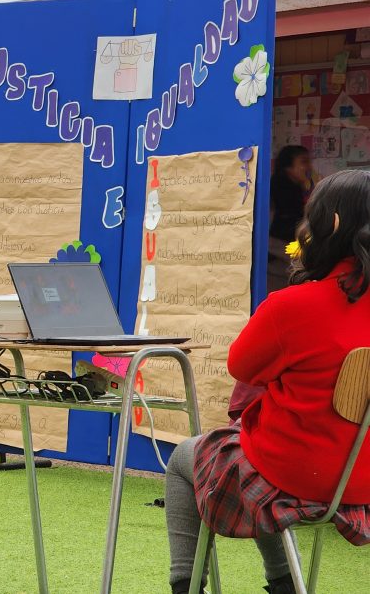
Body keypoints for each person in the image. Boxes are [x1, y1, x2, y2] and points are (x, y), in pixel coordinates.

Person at [164, 169, 370, 594]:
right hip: (361, 483)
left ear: (330, 225)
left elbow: (242, 367)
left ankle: (187, 586)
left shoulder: (293, 305)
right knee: (256, 449)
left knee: (192, 457)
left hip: (296, 474)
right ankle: (283, 581)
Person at [267, 145, 312, 292]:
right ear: (288, 167)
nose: (309, 166)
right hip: (277, 259)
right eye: (303, 162)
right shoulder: (278, 191)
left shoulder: (297, 189)